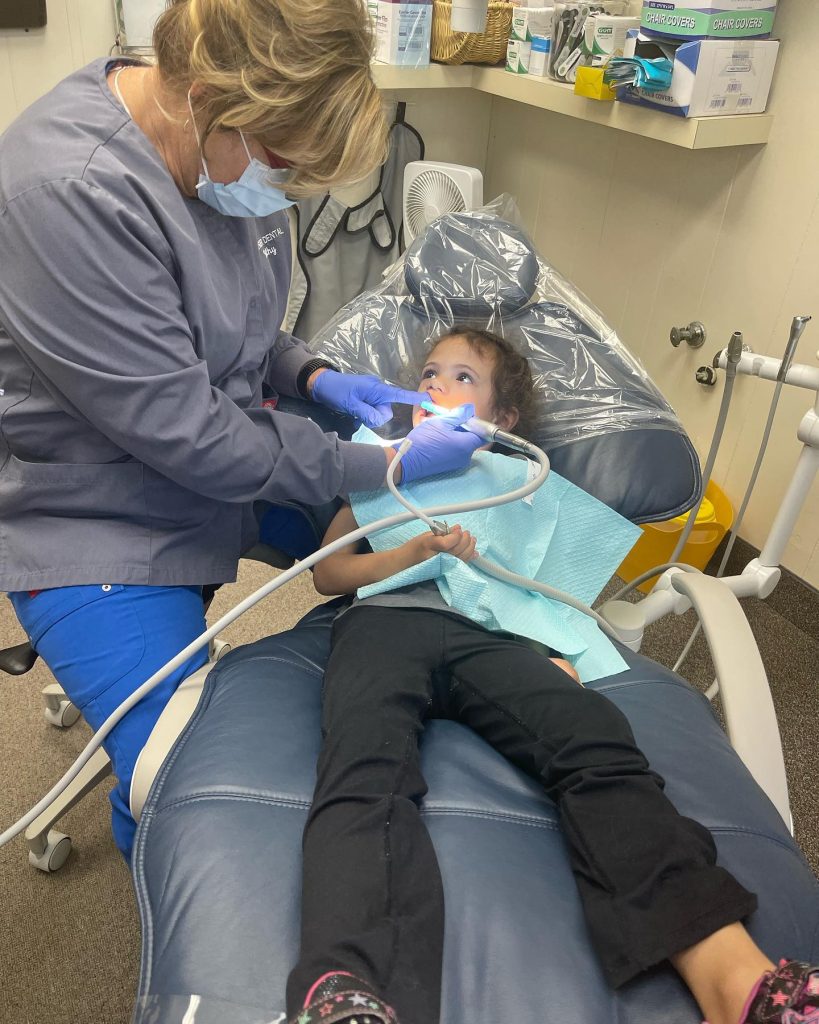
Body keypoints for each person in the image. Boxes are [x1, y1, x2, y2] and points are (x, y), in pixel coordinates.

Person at [0, 0, 483, 860]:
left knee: (404, 563)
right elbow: (191, 435)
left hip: (224, 463)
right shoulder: (68, 190)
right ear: (207, 96)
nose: (284, 191)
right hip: (96, 514)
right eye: (285, 164)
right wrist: (384, 463)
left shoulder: (227, 157)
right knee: (182, 788)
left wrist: (317, 375)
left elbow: (244, 329)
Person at [286, 328, 819, 1024]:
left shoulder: (522, 481)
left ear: (503, 419)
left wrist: (548, 648)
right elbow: (327, 575)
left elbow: (544, 588)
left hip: (491, 634)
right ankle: (350, 984)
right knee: (362, 759)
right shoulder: (382, 464)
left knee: (591, 733)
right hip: (384, 623)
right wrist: (410, 550)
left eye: (461, 377)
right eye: (427, 373)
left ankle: (734, 979)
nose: (435, 388)